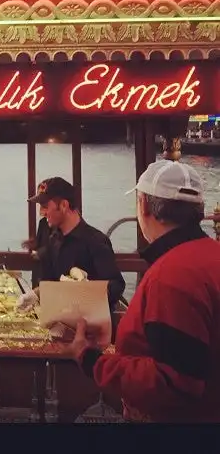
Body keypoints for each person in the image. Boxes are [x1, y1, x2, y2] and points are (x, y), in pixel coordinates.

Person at [70, 160, 220, 423]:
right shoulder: (208, 256)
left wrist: (92, 360)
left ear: (144, 206)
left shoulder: (173, 275)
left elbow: (175, 382)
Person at [17, 177, 125, 310]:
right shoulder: (50, 235)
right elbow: (52, 282)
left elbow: (117, 286)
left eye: (45, 206)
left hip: (87, 322)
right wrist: (35, 295)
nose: (41, 213)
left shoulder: (95, 241)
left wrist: (86, 288)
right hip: (56, 316)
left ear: (64, 205)